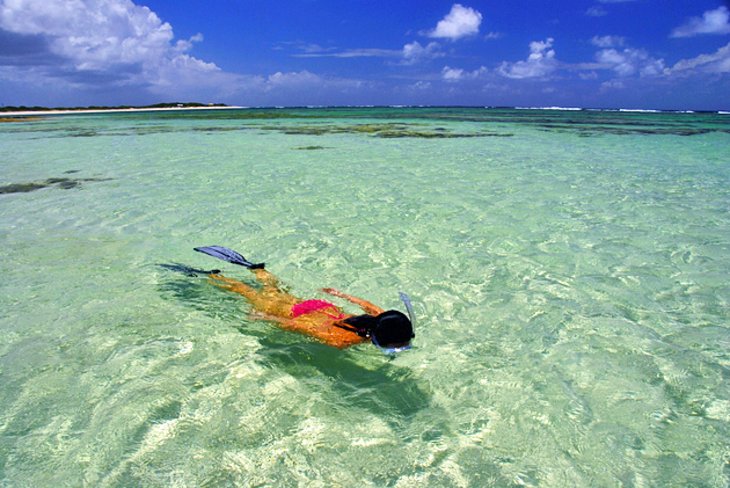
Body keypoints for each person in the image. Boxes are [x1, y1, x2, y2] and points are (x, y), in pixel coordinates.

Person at [194, 246, 415, 352]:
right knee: (247, 293)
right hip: (300, 315)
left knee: (275, 290)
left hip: (324, 307)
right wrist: (265, 317)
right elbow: (298, 326)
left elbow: (364, 304)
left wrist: (340, 295)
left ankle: (257, 269)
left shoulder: (380, 316)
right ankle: (213, 276)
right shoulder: (340, 340)